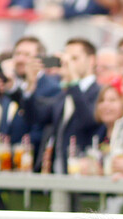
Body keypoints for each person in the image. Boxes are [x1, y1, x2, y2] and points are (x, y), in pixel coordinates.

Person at [22, 37, 102, 174]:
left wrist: (74, 81)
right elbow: (35, 117)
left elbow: (87, 120)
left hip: (84, 173)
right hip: (59, 171)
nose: (67, 64)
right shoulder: (64, 95)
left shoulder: (99, 92)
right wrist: (30, 84)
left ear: (91, 60)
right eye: (66, 59)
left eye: (74, 59)